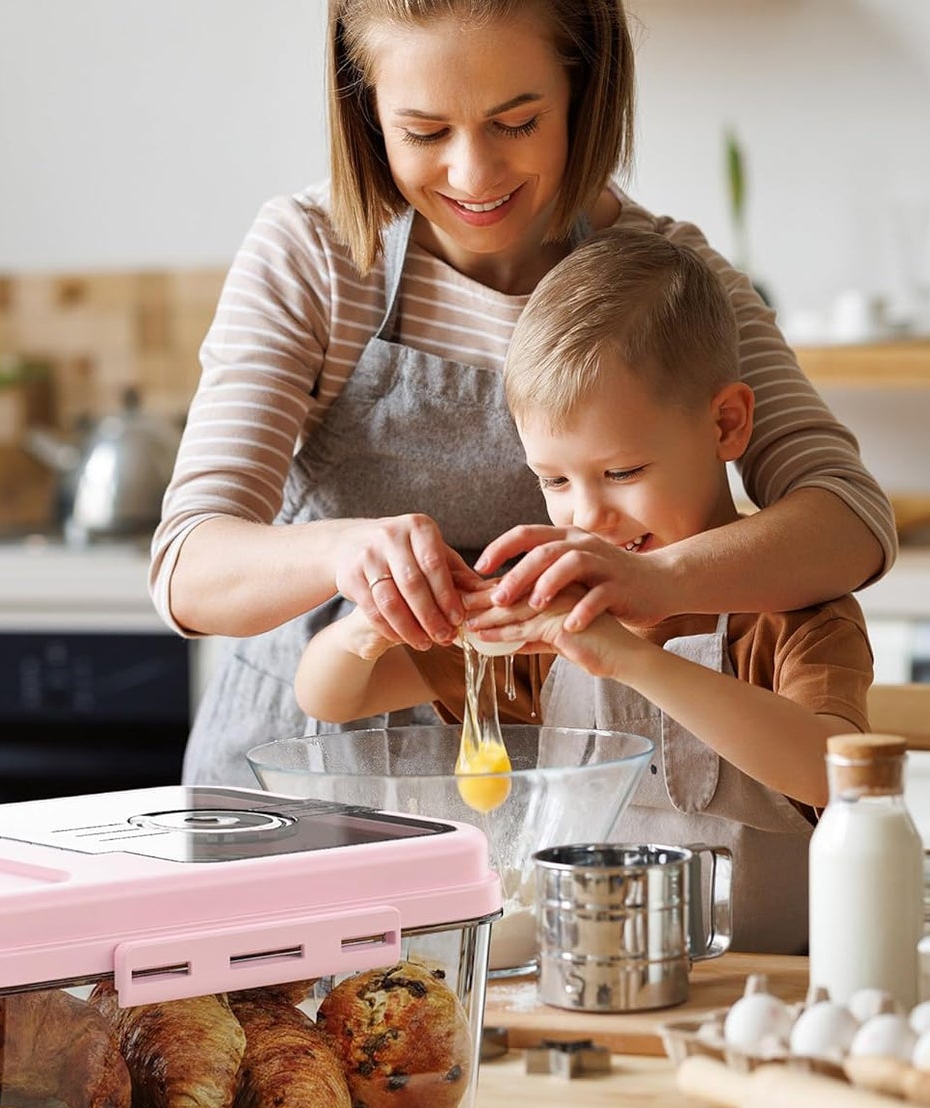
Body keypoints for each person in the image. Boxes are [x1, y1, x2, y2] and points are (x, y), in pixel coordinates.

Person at [151, 0, 895, 788]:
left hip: (532, 799)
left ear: (583, 88)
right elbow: (187, 569)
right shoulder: (316, 254)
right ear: (367, 116)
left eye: (515, 123)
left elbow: (850, 520)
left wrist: (657, 583)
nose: (472, 174)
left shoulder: (663, 285)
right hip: (292, 775)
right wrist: (345, 551)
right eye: (424, 132)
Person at [297, 229, 873, 952]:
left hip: (769, 1009)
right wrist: (374, 621)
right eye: (555, 480)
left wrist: (630, 657)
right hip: (584, 1000)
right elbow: (330, 696)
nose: (587, 515)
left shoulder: (792, 607)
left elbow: (835, 774)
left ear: (726, 423)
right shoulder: (545, 613)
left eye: (623, 472)